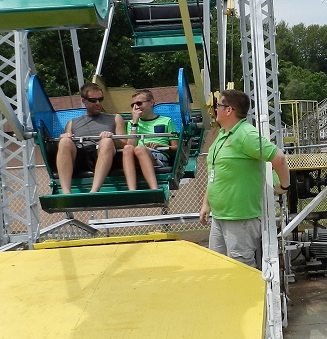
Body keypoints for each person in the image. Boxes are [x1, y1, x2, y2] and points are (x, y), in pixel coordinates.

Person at [199, 89, 289, 269]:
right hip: (221, 216)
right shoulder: (223, 135)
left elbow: (278, 158)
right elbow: (214, 173)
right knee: (218, 266)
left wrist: (284, 185)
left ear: (229, 110)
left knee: (241, 268)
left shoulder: (245, 134)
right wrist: (206, 204)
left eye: (218, 106)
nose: (215, 109)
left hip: (240, 217)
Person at [56, 82, 125, 194]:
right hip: (81, 156)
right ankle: (66, 193)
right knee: (64, 142)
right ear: (84, 101)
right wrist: (65, 136)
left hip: (104, 155)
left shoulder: (115, 118)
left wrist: (112, 138)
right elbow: (66, 147)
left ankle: (94, 191)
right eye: (93, 100)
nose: (98, 103)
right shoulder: (72, 123)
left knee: (106, 141)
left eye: (100, 99)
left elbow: (124, 143)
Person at [122, 88, 178, 191]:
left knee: (140, 149)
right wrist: (135, 123)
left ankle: (154, 189)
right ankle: (132, 190)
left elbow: (176, 147)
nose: (136, 107)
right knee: (128, 148)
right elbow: (130, 145)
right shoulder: (132, 123)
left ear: (151, 102)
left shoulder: (166, 121)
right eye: (133, 105)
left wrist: (163, 146)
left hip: (159, 156)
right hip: (138, 154)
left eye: (139, 103)